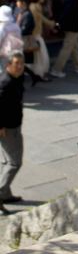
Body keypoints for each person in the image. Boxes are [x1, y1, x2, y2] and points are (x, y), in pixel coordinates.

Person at [0, 51, 26, 214]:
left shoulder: (15, 78)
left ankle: (6, 193)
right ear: (8, 65)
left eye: (21, 64)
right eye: (16, 64)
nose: (19, 67)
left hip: (13, 124)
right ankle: (1, 192)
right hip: (8, 128)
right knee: (14, 162)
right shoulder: (5, 83)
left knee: (7, 161)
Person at [28, 0, 53, 81]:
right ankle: (40, 74)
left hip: (35, 34)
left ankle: (38, 74)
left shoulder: (33, 6)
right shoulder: (35, 7)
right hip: (35, 35)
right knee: (42, 57)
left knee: (38, 57)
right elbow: (42, 19)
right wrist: (53, 24)